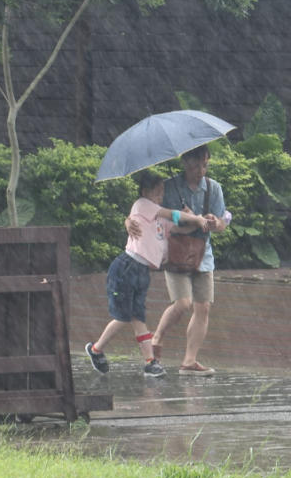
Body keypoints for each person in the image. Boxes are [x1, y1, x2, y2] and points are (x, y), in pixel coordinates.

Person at [86, 171, 208, 377]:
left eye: (162, 193)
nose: (161, 197)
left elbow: (180, 227)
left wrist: (193, 218)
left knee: (138, 316)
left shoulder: (159, 217)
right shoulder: (142, 205)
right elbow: (173, 215)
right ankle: (95, 349)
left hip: (142, 271)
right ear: (145, 192)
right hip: (127, 267)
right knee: (124, 317)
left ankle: (150, 362)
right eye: (157, 193)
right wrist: (194, 218)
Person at [125, 144, 228, 376]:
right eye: (195, 166)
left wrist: (215, 222)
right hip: (175, 251)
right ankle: (158, 337)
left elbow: (223, 223)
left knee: (203, 307)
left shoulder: (213, 188)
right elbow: (145, 211)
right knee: (183, 303)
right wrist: (127, 221)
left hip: (203, 252)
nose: (200, 171)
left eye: (204, 165)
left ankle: (189, 361)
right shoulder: (169, 187)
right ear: (184, 163)